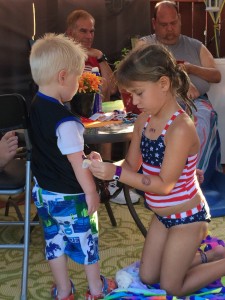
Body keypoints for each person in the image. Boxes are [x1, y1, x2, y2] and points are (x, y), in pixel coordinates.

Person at [88, 43, 225, 297]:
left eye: (138, 93)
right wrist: (102, 165)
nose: (134, 101)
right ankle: (210, 254)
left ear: (163, 84)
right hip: (162, 216)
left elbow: (164, 185)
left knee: (172, 286)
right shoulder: (144, 120)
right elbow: (131, 165)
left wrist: (115, 174)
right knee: (149, 276)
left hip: (188, 218)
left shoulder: (180, 128)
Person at [29, 33, 117, 300]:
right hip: (70, 196)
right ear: (63, 77)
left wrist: (89, 156)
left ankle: (64, 290)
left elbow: (52, 150)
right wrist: (91, 191)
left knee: (54, 242)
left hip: (44, 194)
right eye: (78, 78)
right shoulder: (66, 121)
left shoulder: (34, 106)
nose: (79, 83)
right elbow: (75, 162)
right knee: (85, 240)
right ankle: (96, 289)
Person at [137, 0, 222, 186]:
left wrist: (191, 69)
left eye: (173, 23)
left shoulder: (195, 45)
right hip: (158, 106)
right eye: (163, 24)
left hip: (196, 103)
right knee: (149, 124)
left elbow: (216, 75)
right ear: (154, 24)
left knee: (202, 119)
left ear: (180, 20)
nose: (169, 29)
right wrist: (180, 84)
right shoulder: (145, 45)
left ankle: (191, 179)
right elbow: (134, 74)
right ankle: (162, 179)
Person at [66, 9, 117, 102]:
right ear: (70, 33)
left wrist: (100, 57)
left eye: (91, 31)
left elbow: (112, 89)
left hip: (97, 112)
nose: (89, 36)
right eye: (83, 31)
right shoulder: (61, 56)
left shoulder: (94, 55)